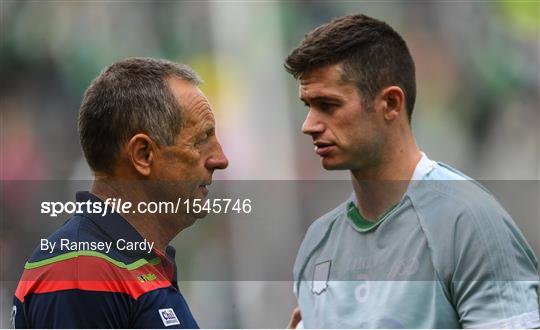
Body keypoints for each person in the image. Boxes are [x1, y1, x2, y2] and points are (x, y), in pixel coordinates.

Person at [284, 14, 539, 329]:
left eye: (328, 105)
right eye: (308, 106)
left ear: (390, 103)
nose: (309, 125)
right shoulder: (318, 243)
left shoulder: (469, 222)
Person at [12, 57, 228, 328]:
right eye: (201, 141)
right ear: (143, 154)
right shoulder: (83, 270)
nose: (220, 159)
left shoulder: (131, 263)